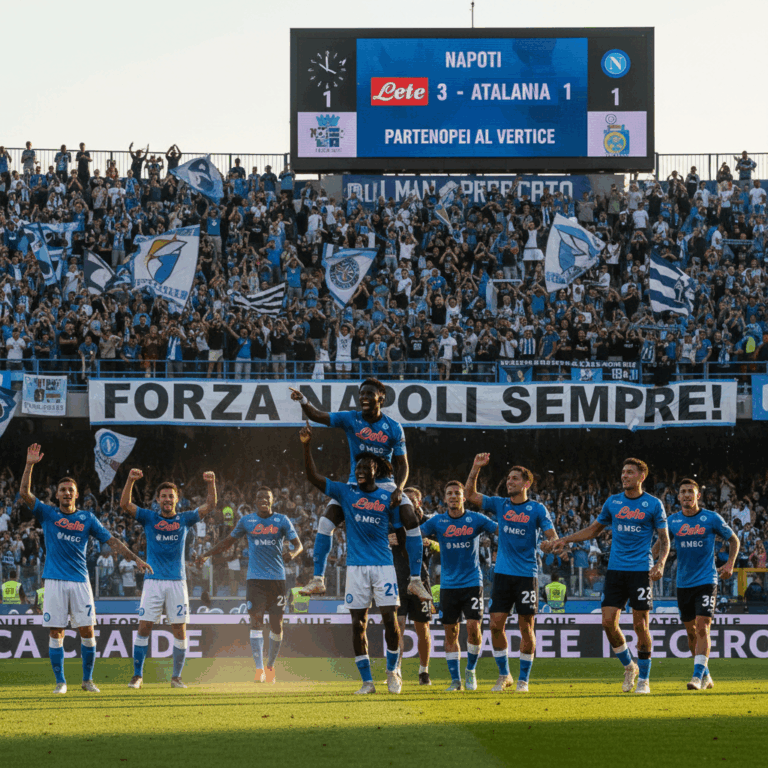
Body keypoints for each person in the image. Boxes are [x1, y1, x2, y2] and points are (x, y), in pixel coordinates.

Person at [300, 422, 426, 695]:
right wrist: (307, 445)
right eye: (356, 469)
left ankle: (393, 672)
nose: (358, 472)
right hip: (355, 569)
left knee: (391, 623)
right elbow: (313, 477)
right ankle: (367, 681)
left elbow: (401, 531)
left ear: (376, 471)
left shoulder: (387, 497)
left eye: (364, 469)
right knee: (358, 625)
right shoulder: (346, 492)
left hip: (383, 567)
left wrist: (406, 554)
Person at [20, 444, 151, 695]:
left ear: (76, 495)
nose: (67, 493)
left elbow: (111, 540)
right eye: (62, 490)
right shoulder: (47, 513)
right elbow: (25, 493)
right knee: (56, 631)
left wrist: (135, 558)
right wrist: (29, 465)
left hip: (80, 582)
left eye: (71, 490)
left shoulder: (87, 519)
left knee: (87, 631)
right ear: (56, 495)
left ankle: (87, 680)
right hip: (55, 581)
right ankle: (60, 682)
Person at [289, 378, 431, 603]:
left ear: (381, 398)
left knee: (409, 520)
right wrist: (303, 400)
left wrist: (400, 488)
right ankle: (318, 578)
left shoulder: (393, 427)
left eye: (369, 394)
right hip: (355, 483)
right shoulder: (351, 418)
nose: (363, 397)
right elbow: (318, 416)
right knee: (326, 523)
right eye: (361, 394)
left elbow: (403, 464)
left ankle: (415, 581)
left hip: (384, 484)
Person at [546, 458, 669, 694]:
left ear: (641, 476)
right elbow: (593, 530)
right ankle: (629, 667)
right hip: (615, 570)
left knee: (640, 625)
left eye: (630, 472)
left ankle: (644, 678)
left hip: (641, 570)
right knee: (607, 622)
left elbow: (664, 539)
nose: (624, 476)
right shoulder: (613, 502)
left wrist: (661, 563)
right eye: (623, 472)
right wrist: (566, 539)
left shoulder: (653, 504)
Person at [465, 454, 558, 693]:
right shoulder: (500, 504)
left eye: (515, 479)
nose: (510, 482)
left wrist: (551, 544)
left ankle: (524, 679)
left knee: (526, 627)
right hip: (503, 575)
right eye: (508, 478)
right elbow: (470, 496)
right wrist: (476, 468)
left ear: (527, 484)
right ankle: (504, 675)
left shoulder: (537, 509)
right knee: (496, 625)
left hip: (527, 575)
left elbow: (552, 536)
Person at [120, 467, 217, 689]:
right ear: (157, 499)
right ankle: (137, 676)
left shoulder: (185, 519)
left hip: (177, 581)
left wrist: (211, 483)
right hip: (153, 582)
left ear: (176, 499)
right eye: (163, 496)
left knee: (179, 629)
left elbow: (210, 505)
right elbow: (125, 504)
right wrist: (130, 480)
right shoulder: (149, 517)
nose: (167, 499)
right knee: (144, 627)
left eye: (170, 496)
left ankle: (176, 678)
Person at [197, 486, 303, 684]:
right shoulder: (247, 521)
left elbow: (299, 546)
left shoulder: (282, 520)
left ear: (273, 500)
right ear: (255, 501)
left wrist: (293, 554)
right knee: (256, 622)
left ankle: (270, 665)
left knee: (276, 626)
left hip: (277, 580)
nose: (263, 499)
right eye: (259, 497)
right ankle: (259, 669)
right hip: (255, 580)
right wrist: (206, 554)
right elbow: (227, 542)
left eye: (267, 497)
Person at [420, 480, 497, 691]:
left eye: (457, 493)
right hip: (448, 586)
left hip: (472, 582)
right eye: (449, 493)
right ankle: (455, 680)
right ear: (445, 499)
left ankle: (470, 670)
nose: (453, 496)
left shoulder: (476, 519)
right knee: (450, 633)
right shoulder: (437, 521)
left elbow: (499, 530)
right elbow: (415, 535)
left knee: (474, 628)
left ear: (463, 498)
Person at [663, 478, 739, 691]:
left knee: (703, 626)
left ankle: (696, 677)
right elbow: (661, 545)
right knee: (691, 633)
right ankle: (705, 674)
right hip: (683, 583)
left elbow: (734, 540)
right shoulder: (673, 521)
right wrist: (653, 565)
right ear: (678, 497)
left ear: (698, 496)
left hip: (707, 579)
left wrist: (730, 564)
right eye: (683, 491)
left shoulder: (711, 518)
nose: (687, 495)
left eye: (691, 491)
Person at [388, 486, 436, 686]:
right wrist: (387, 540)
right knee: (397, 626)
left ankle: (423, 671)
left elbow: (444, 544)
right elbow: (381, 541)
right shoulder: (392, 522)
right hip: (397, 580)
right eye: (405, 497)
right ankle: (396, 669)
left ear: (419, 502)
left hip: (421, 580)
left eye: (412, 498)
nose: (408, 501)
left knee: (422, 628)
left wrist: (430, 543)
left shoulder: (428, 523)